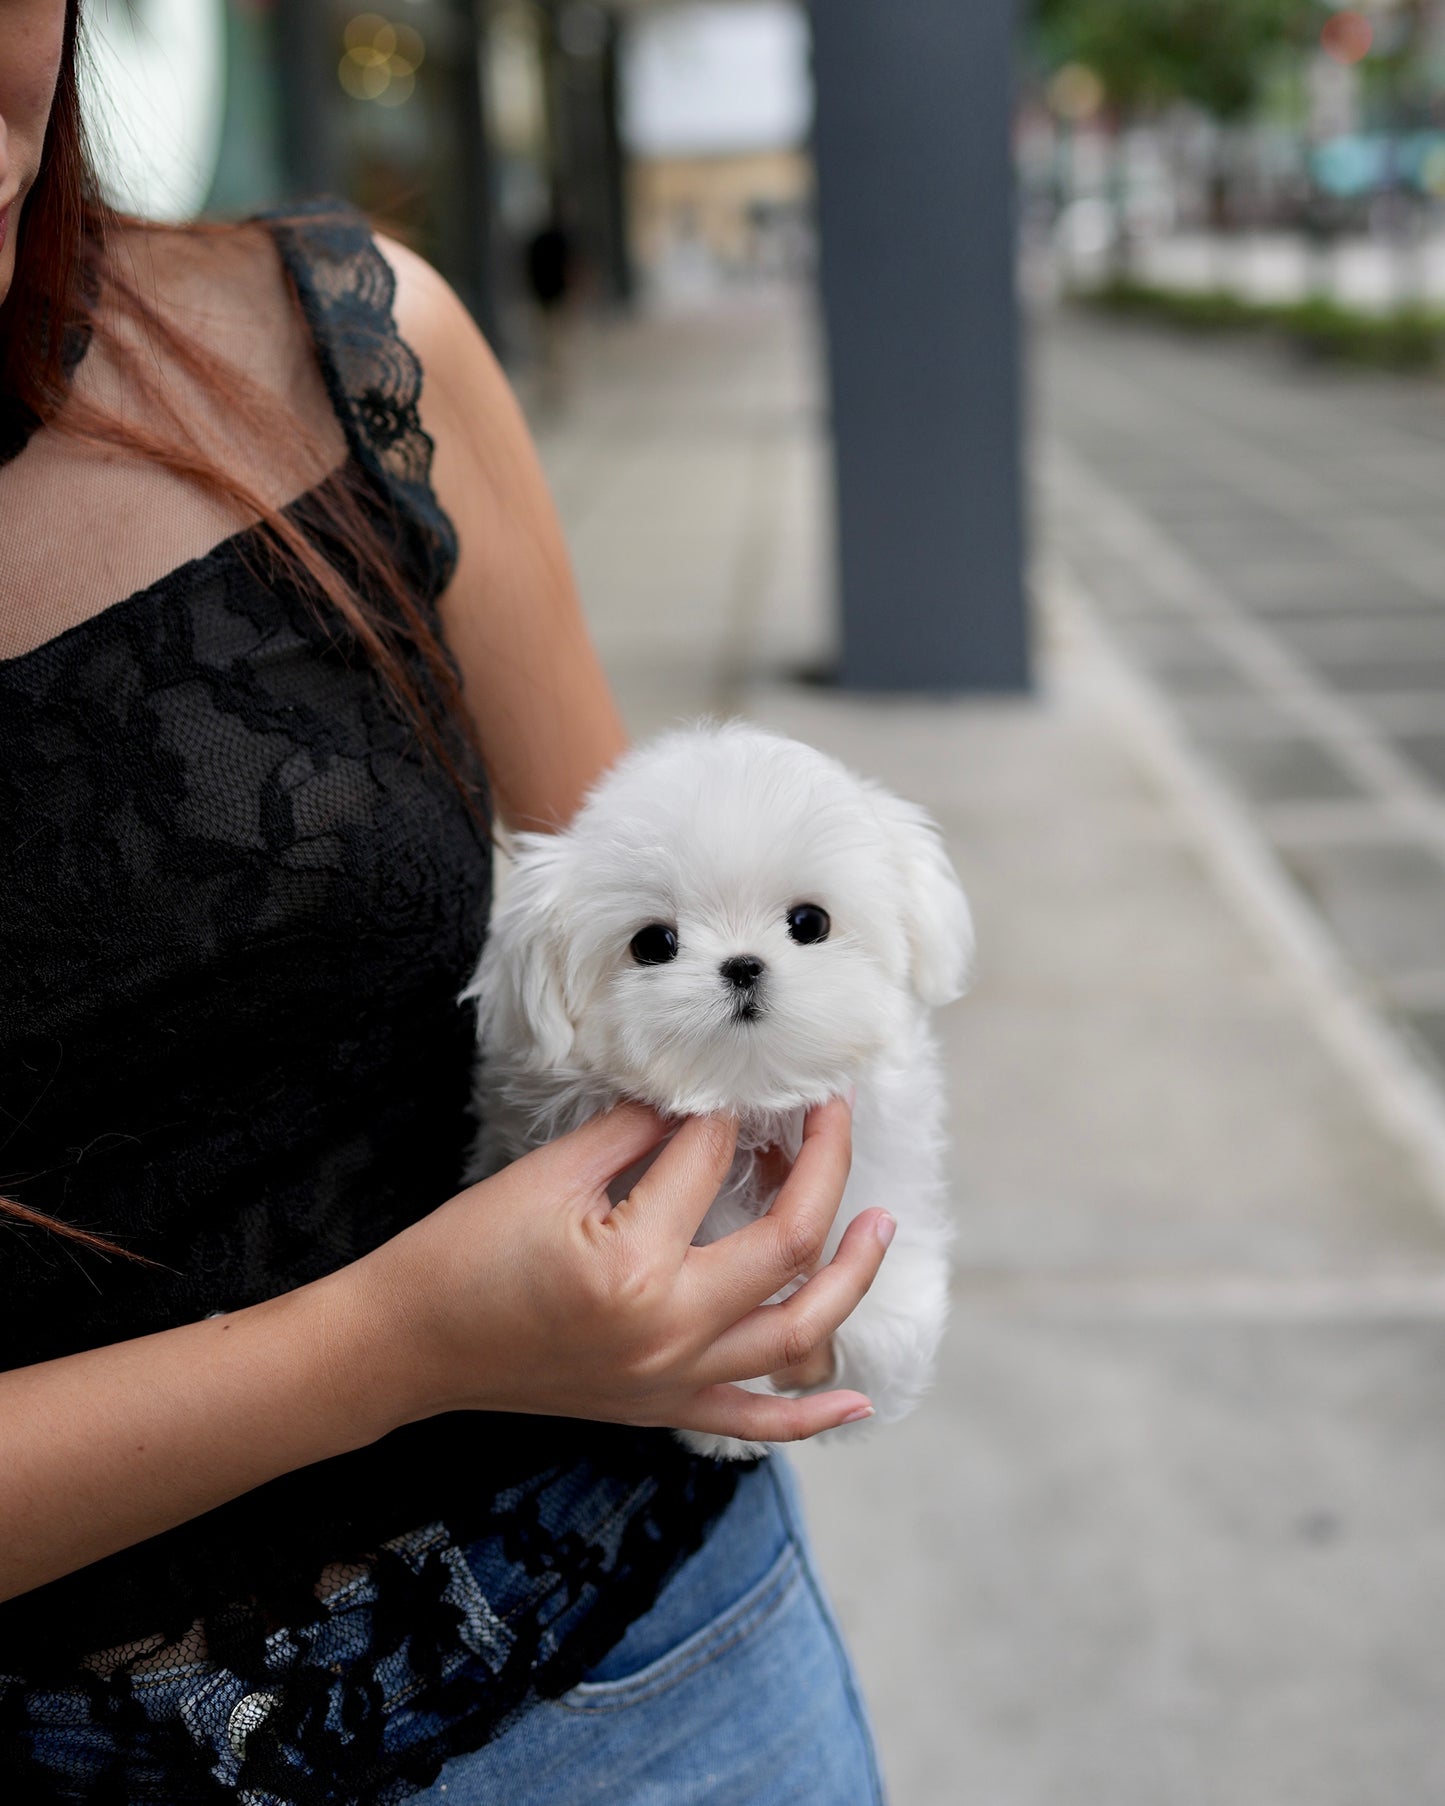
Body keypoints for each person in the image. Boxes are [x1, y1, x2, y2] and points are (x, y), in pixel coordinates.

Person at [0, 4, 892, 1802]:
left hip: (653, 1669)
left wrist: (744, 1248)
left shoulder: (346, 343)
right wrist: (401, 1343)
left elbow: (672, 931)